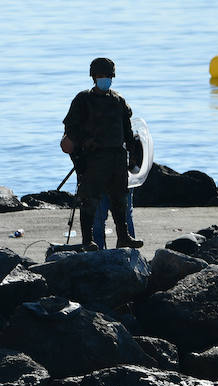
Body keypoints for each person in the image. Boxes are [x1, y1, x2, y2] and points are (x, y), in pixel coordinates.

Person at [61, 57, 142, 250]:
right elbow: (71, 132)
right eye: (101, 75)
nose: (104, 79)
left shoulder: (118, 101)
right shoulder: (82, 100)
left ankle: (124, 237)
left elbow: (128, 132)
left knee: (119, 200)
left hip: (117, 159)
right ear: (93, 77)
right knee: (89, 200)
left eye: (108, 76)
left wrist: (133, 156)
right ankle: (88, 240)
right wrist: (79, 155)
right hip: (93, 159)